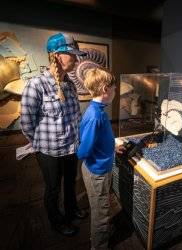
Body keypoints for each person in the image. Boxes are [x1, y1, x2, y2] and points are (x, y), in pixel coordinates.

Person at [20, 32, 88, 237]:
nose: (76, 59)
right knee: (52, 188)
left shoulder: (71, 85)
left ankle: (71, 209)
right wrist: (41, 144)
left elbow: (75, 116)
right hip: (49, 152)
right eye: (72, 54)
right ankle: (56, 222)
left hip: (71, 147)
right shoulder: (36, 85)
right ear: (56, 55)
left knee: (70, 181)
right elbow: (26, 123)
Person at [77, 67, 125, 249]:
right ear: (105, 89)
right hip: (96, 172)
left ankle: (101, 234)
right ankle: (99, 245)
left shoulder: (98, 110)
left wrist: (112, 148)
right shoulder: (95, 116)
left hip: (101, 167)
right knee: (101, 213)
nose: (115, 91)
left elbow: (100, 139)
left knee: (102, 206)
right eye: (114, 88)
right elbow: (83, 151)